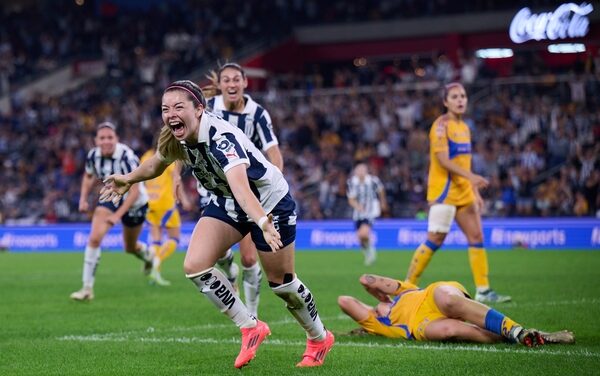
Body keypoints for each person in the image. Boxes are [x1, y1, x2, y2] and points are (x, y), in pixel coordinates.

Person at [99, 80, 334, 369]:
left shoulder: (221, 138)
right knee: (195, 265)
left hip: (269, 203)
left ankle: (319, 337)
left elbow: (243, 188)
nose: (170, 114)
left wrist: (262, 221)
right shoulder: (177, 135)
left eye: (178, 107)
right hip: (228, 201)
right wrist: (128, 178)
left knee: (283, 285)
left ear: (199, 109)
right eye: (165, 108)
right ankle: (251, 326)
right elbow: (157, 164)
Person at [405, 82, 510, 303]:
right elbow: (443, 160)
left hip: (464, 191)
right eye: (454, 97)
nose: (460, 100)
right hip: (443, 191)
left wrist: (474, 190)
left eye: (463, 96)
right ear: (445, 102)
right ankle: (408, 286)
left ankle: (483, 290)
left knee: (476, 236)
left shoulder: (465, 127)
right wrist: (472, 178)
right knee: (435, 239)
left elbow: (465, 162)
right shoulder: (440, 126)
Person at [201, 62, 283, 318]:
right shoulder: (208, 108)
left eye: (236, 79)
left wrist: (274, 183)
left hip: (242, 192)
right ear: (221, 84)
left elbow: (274, 154)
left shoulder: (257, 114)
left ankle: (253, 315)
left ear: (245, 82)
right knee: (217, 254)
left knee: (249, 259)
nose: (232, 84)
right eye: (227, 80)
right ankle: (230, 271)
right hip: (212, 190)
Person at [338, 274, 575, 346]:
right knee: (449, 330)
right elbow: (344, 301)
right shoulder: (378, 323)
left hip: (433, 297)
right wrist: (376, 308)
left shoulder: (405, 291)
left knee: (450, 301)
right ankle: (526, 336)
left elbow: (366, 279)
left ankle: (516, 330)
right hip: (421, 326)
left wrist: (376, 292)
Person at [70, 122, 153, 301]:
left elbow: (135, 191)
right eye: (102, 138)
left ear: (116, 139)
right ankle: (87, 289)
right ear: (96, 141)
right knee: (94, 238)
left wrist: (117, 215)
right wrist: (83, 199)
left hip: (135, 204)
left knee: (130, 248)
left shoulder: (127, 157)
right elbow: (88, 175)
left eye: (110, 137)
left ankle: (148, 257)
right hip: (111, 198)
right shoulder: (93, 155)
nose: (106, 141)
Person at [141, 138, 193, 286]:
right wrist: (184, 199)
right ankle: (156, 263)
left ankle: (152, 258)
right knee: (174, 238)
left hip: (149, 202)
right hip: (165, 203)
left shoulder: (145, 156)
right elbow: (175, 178)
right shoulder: (167, 155)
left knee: (156, 238)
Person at [346, 162, 388, 266]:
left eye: (362, 170)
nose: (360, 172)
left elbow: (381, 190)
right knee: (360, 238)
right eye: (358, 170)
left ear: (366, 171)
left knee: (363, 233)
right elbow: (351, 199)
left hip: (371, 211)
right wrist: (357, 206)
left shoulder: (373, 181)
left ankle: (371, 252)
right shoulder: (352, 182)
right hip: (358, 213)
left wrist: (382, 202)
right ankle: (367, 253)